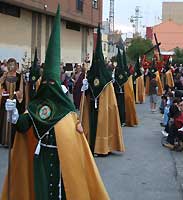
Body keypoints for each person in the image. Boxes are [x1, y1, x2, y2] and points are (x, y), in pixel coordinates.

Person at [1, 6, 110, 200]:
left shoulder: (68, 111)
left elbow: (77, 139)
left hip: (63, 161)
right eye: (47, 83)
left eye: (53, 83)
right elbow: (23, 126)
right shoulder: (35, 106)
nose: (49, 86)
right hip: (41, 159)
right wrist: (15, 113)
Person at [82, 26, 125, 155]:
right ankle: (92, 144)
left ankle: (103, 146)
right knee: (93, 125)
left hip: (103, 109)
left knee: (103, 125)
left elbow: (111, 102)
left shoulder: (106, 80)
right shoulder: (90, 78)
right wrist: (86, 87)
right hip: (92, 108)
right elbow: (86, 94)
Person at [0, 58, 24, 147]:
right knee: (5, 120)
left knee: (13, 119)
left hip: (14, 100)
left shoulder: (18, 75)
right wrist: (3, 92)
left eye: (13, 65)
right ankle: (4, 140)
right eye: (9, 65)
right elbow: (1, 85)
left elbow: (21, 89)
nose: (11, 66)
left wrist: (16, 94)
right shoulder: (5, 75)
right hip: (6, 100)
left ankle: (12, 140)